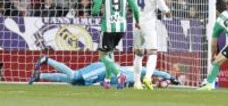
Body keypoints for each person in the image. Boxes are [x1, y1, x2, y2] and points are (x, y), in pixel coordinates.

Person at [91, 0, 140, 89]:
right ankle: (107, 80)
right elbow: (134, 8)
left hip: (108, 28)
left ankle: (119, 75)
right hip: (121, 28)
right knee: (109, 53)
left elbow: (95, 10)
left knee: (102, 56)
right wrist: (138, 21)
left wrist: (98, 9)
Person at [129, 0, 170, 90]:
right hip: (149, 23)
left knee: (138, 54)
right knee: (152, 52)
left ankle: (136, 83)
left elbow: (128, 6)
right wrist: (168, 12)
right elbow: (162, 8)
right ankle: (147, 77)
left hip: (136, 23)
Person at [28, 56, 179, 88]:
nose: (153, 81)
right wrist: (169, 77)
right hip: (103, 68)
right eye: (155, 80)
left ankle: (40, 76)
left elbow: (118, 84)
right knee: (74, 75)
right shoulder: (139, 71)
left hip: (103, 76)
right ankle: (46, 60)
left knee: (74, 81)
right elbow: (157, 72)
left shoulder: (137, 84)